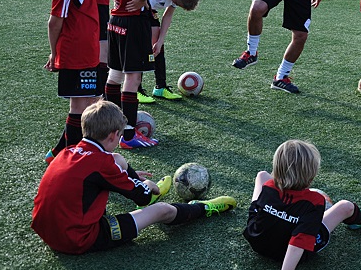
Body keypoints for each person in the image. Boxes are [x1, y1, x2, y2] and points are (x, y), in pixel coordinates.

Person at [32, 100, 237, 255]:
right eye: (120, 136)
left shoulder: (68, 151)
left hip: (47, 231)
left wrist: (123, 176)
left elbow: (93, 174)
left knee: (117, 159)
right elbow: (143, 198)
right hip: (77, 239)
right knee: (161, 209)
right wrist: (147, 186)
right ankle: (203, 208)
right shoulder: (103, 164)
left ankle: (134, 184)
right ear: (113, 135)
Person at [243, 139, 361, 270]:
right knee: (345, 206)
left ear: (277, 167)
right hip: (285, 252)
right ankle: (359, 218)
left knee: (262, 175)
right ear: (312, 175)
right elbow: (297, 243)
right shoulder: (315, 202)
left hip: (257, 239)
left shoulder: (269, 186)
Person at [89, 0, 157, 149]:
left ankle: (112, 127)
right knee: (133, 78)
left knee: (115, 74)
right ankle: (128, 135)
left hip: (114, 22)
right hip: (133, 23)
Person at [44, 0, 101, 164]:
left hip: (86, 47)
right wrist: (54, 53)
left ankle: (59, 153)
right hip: (76, 51)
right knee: (80, 107)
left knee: (91, 101)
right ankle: (70, 163)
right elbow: (56, 19)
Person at [140, 0, 202, 101]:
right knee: (142, 44)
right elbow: (142, 8)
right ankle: (135, 90)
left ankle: (160, 87)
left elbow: (168, 15)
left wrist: (160, 41)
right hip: (136, 6)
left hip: (149, 7)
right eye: (176, 2)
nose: (174, 4)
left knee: (157, 44)